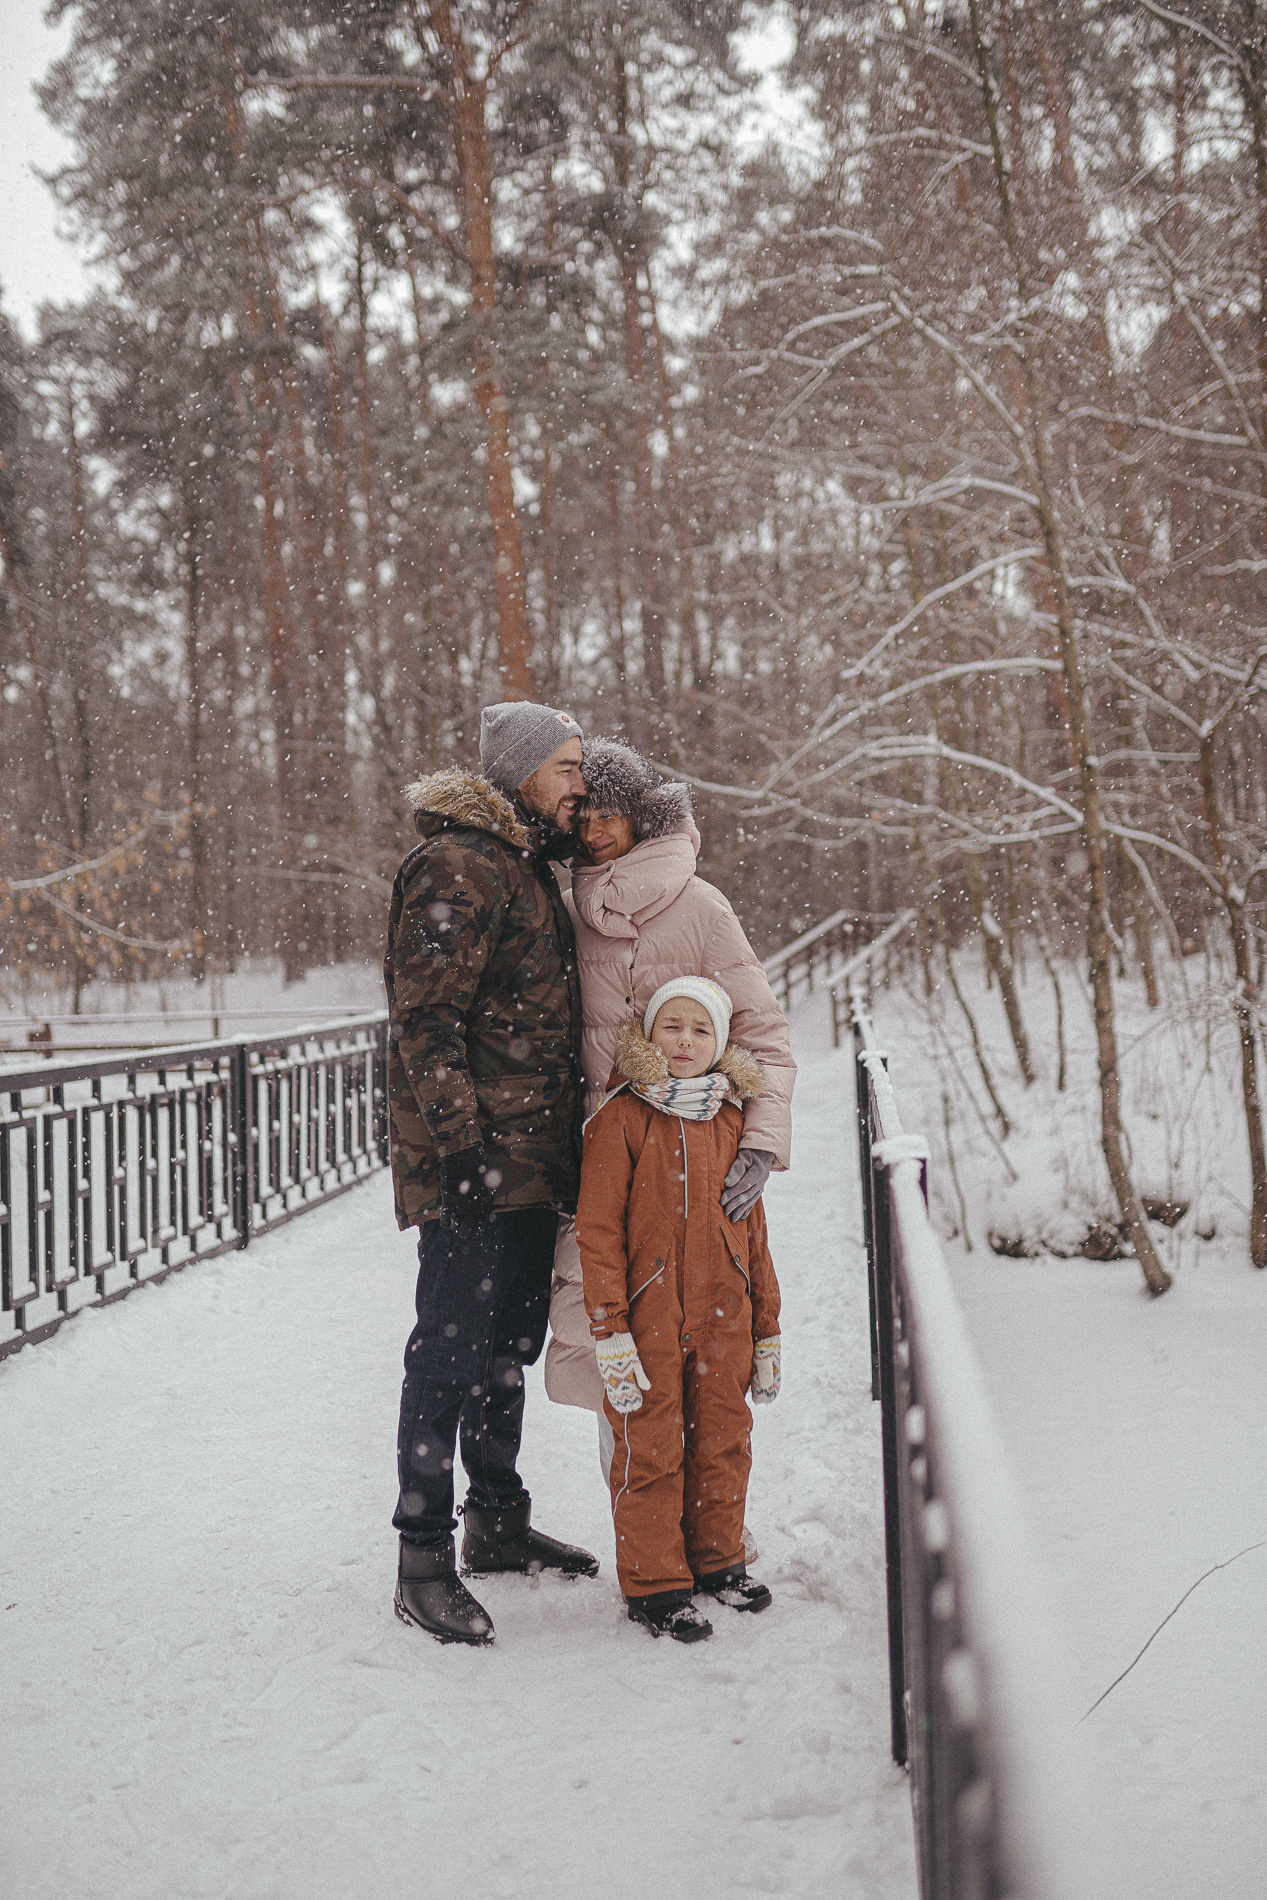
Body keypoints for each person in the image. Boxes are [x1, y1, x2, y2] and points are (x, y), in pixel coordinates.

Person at [384, 700, 599, 1646]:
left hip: (528, 1160)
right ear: (517, 775)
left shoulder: (523, 866)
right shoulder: (458, 864)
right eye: (562, 765)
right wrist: (460, 1151)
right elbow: (425, 1018)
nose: (578, 783)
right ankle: (421, 1556)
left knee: (504, 1346)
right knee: (448, 1351)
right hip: (473, 1163)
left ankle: (497, 1524)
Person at [544, 737, 795, 1497]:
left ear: (645, 816)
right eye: (583, 815)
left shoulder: (700, 906)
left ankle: (714, 1532)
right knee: (607, 1344)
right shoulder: (563, 910)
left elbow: (762, 1035)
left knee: (700, 1345)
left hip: (689, 1162)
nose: (592, 831)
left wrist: (759, 1143)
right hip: (594, 1161)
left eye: (609, 815)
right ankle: (642, 1532)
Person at [576, 976, 782, 1642]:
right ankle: (654, 1582)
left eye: (699, 1030)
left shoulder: (730, 1121)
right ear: (649, 1035)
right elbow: (598, 1231)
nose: (685, 1042)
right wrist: (609, 1329)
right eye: (672, 1027)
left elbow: (754, 1235)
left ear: (719, 1041)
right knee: (651, 1448)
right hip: (649, 1321)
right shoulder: (621, 1118)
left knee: (723, 1441)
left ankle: (717, 1560)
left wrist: (766, 1329)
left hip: (724, 1315)